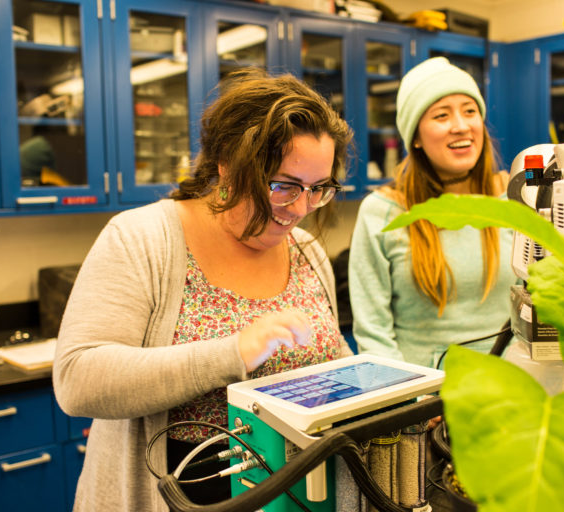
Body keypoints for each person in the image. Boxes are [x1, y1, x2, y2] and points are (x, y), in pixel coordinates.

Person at [53, 68, 354, 511]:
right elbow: (78, 381)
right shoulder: (143, 238)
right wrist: (233, 353)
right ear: (227, 165)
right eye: (282, 186)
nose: (300, 208)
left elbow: (332, 358)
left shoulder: (306, 249)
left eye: (318, 189)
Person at [348, 56, 515, 370]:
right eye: (441, 115)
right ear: (416, 137)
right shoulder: (383, 211)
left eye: (470, 111)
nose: (461, 126)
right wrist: (410, 396)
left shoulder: (512, 199)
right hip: (425, 400)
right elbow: (373, 332)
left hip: (508, 389)